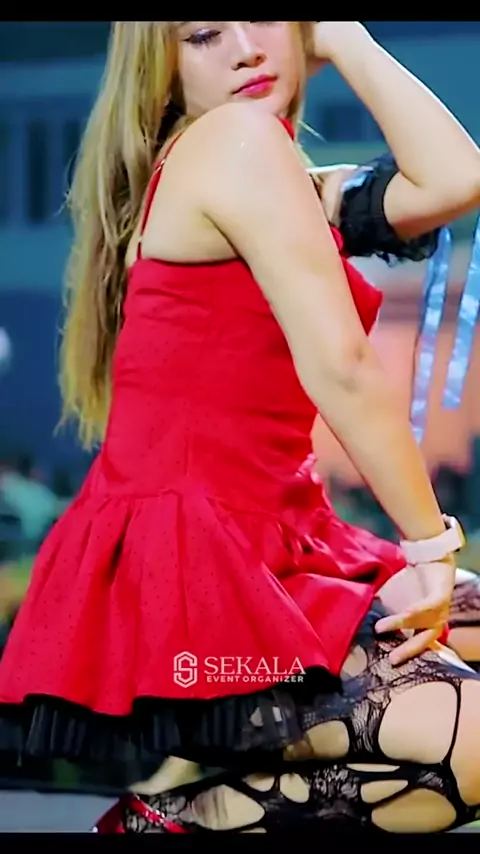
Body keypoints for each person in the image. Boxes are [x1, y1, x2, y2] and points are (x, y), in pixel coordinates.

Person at [1, 21, 480, 834]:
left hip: (270, 555)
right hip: (209, 589)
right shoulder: (235, 145)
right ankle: (163, 826)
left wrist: (347, 38)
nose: (247, 49)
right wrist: (429, 546)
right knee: (470, 743)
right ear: (162, 69)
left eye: (266, 19)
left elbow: (457, 178)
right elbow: (343, 368)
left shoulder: (265, 172)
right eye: (204, 34)